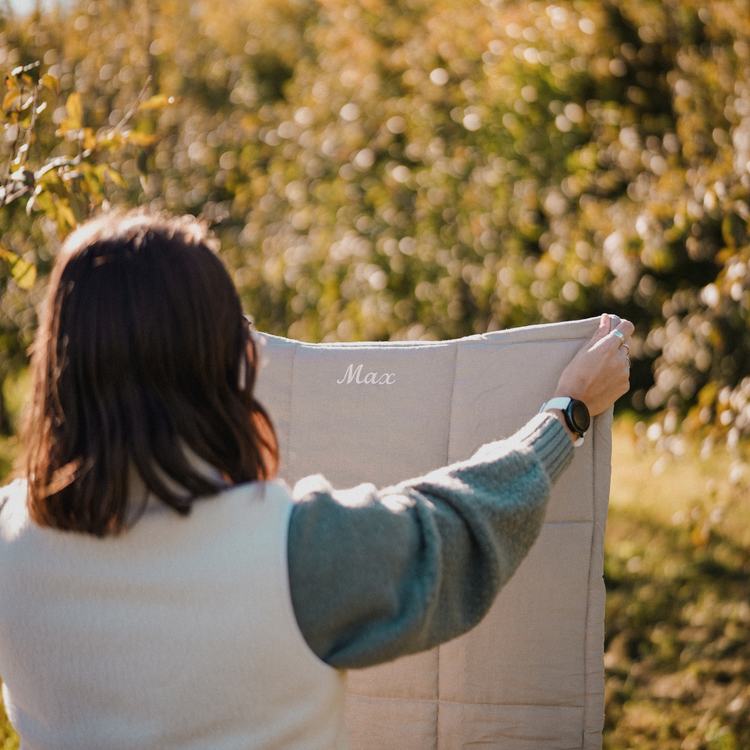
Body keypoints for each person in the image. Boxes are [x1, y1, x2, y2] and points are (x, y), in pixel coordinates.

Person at [0, 210, 632, 750]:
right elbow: (460, 529)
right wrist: (566, 413)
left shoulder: (8, 535)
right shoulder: (293, 550)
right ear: (221, 360)